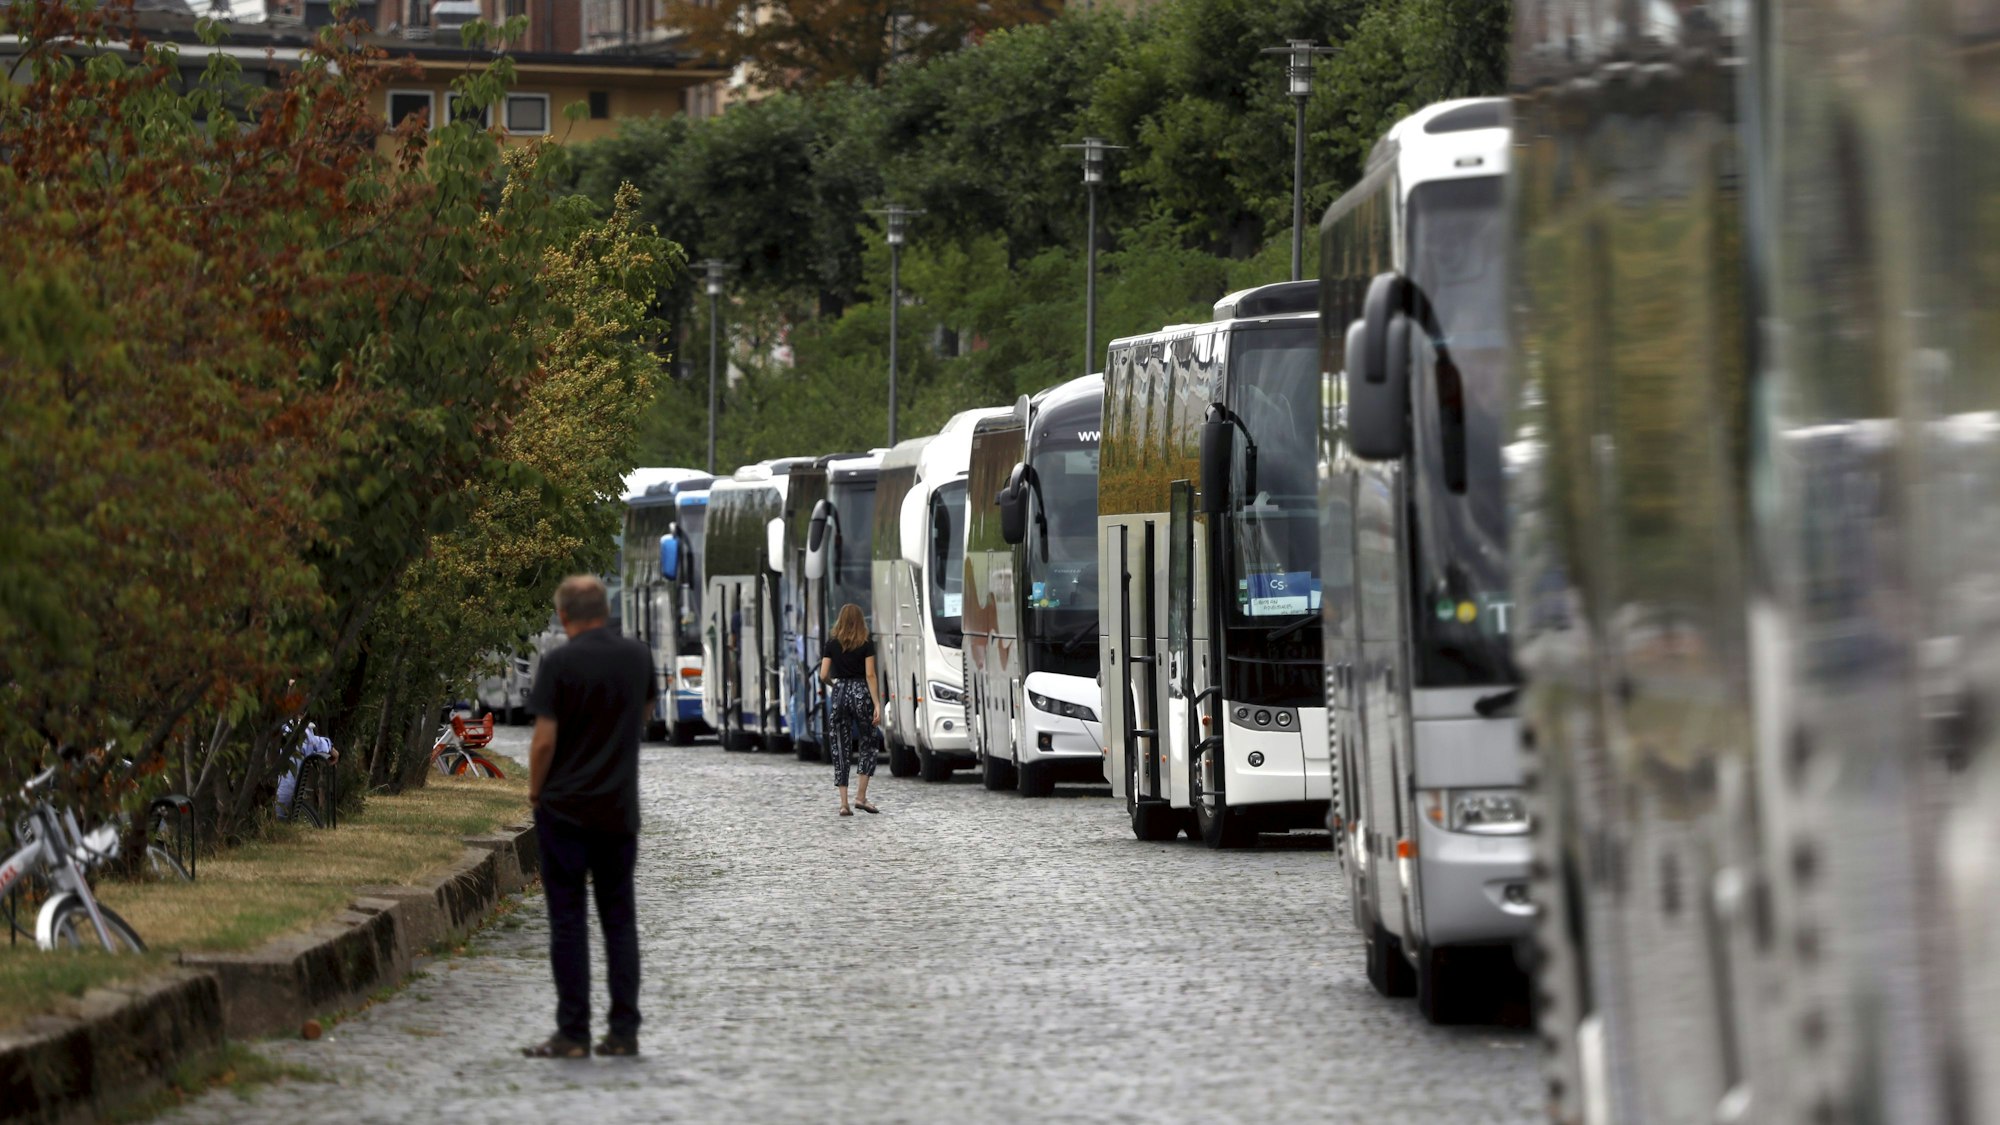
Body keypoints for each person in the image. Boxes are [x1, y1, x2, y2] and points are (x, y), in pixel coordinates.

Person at [523, 575, 654, 1059]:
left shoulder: (558, 663)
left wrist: (536, 790)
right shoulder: (638, 656)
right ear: (606, 609)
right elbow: (643, 713)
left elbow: (542, 741)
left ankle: (573, 1033)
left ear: (564, 616)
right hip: (618, 811)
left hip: (565, 811)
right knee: (619, 920)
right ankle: (624, 1032)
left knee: (569, 921)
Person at [817, 603, 881, 817]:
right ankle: (861, 797)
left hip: (841, 692)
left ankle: (843, 803)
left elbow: (823, 674)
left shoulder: (831, 643)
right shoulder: (866, 642)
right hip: (861, 692)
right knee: (868, 742)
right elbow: (870, 674)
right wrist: (877, 704)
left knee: (839, 746)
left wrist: (833, 685)